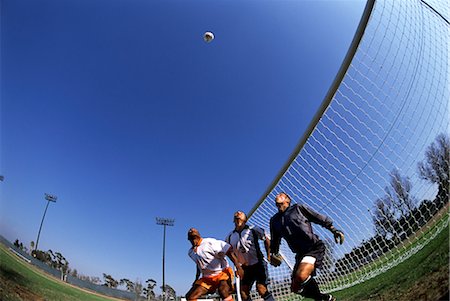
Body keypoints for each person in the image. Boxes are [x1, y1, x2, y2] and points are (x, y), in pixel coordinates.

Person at [269, 192, 344, 301]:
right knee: (295, 288)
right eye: (277, 196)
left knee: (301, 275)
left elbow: (317, 217)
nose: (277, 195)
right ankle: (324, 298)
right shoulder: (274, 221)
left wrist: (333, 229)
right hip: (300, 254)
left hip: (313, 247)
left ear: (288, 200)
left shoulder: (298, 208)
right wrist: (273, 253)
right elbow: (275, 240)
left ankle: (320, 299)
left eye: (281, 195)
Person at [225, 211, 275, 301]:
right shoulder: (229, 236)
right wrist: (237, 266)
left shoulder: (253, 229)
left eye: (241, 213)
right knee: (243, 293)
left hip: (258, 264)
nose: (238, 213)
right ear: (233, 220)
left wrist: (269, 255)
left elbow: (266, 239)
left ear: (245, 219)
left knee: (261, 289)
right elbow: (228, 252)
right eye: (236, 214)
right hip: (245, 268)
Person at [186, 228, 244, 301]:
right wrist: (196, 278)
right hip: (207, 278)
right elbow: (199, 264)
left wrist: (238, 267)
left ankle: (231, 289)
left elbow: (228, 251)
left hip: (222, 273)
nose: (193, 239)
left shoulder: (209, 242)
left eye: (194, 235)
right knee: (190, 296)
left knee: (223, 291)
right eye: (191, 237)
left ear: (199, 235)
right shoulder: (191, 252)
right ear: (188, 239)